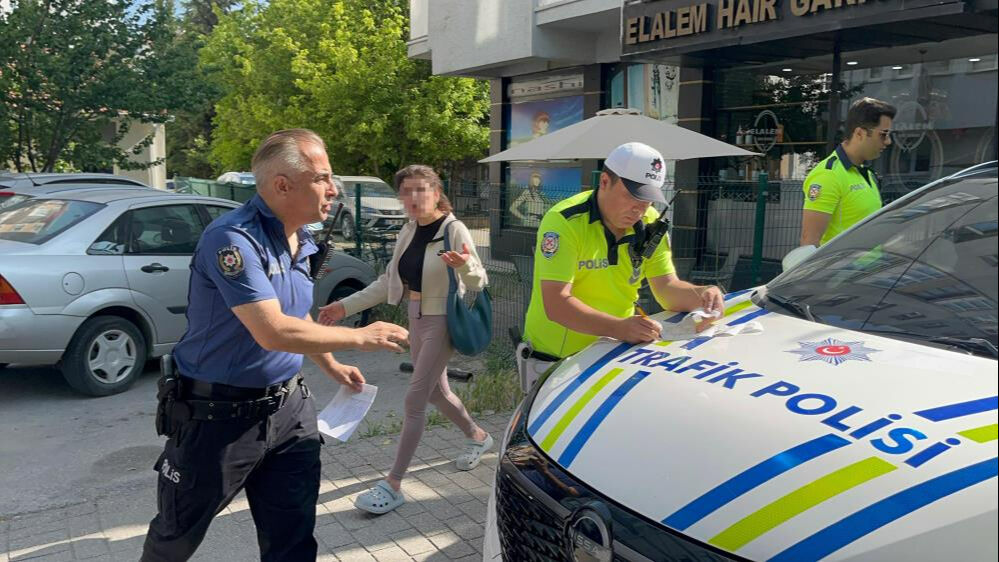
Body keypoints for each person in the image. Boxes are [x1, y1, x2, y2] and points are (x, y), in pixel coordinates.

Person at [141, 129, 409, 562]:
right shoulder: (232, 240)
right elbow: (270, 330)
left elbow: (293, 315)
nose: (333, 188)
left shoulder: (302, 239)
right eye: (322, 177)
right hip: (216, 420)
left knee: (293, 537)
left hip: (289, 412)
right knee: (175, 538)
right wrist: (361, 336)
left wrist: (330, 364)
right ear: (282, 185)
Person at [317, 164, 492, 515]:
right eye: (406, 191)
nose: (413, 198)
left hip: (442, 320)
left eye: (420, 190)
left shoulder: (453, 229)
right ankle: (478, 437)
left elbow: (479, 281)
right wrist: (342, 306)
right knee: (436, 392)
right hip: (416, 317)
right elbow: (387, 283)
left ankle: (393, 484)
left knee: (414, 398)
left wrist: (463, 267)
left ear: (436, 192)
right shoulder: (408, 230)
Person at [518, 142, 725, 391]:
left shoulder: (650, 223)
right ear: (605, 181)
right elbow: (556, 304)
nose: (639, 208)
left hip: (614, 352)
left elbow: (667, 289)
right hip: (558, 361)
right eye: (631, 195)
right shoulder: (564, 222)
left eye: (648, 199)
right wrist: (619, 327)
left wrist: (703, 295)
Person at [800, 97, 896, 247]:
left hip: (869, 269)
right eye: (883, 134)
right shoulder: (829, 175)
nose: (888, 141)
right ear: (860, 134)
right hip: (844, 270)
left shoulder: (866, 173)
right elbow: (809, 242)